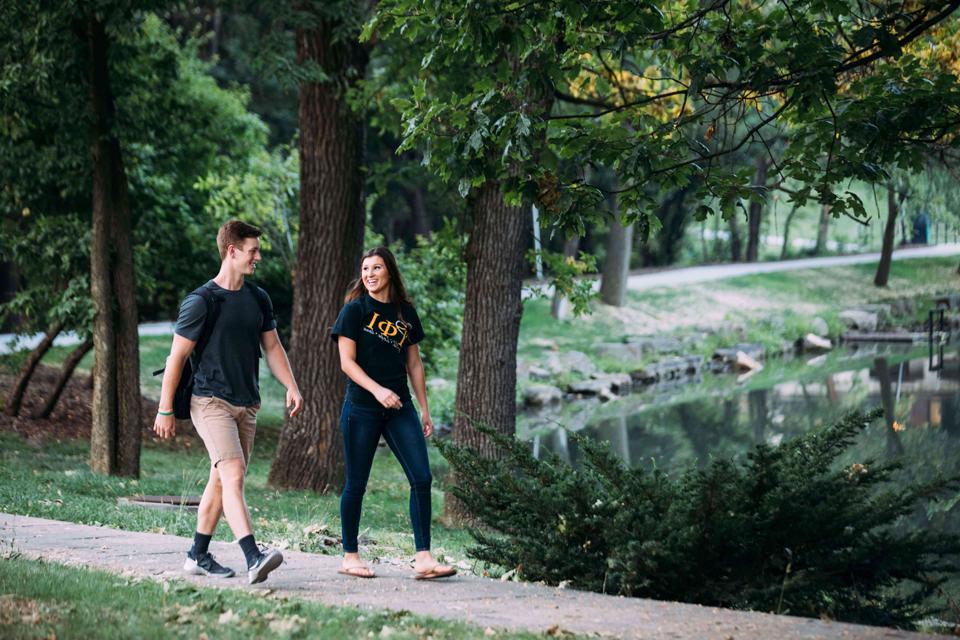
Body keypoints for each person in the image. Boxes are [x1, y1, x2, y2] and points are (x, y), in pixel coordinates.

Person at [154, 219, 303, 585]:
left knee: (222, 481)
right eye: (253, 250)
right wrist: (165, 408)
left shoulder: (257, 298)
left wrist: (292, 386)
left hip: (247, 403)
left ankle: (197, 554)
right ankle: (254, 556)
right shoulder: (201, 301)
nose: (258, 257)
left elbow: (272, 347)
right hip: (210, 401)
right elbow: (175, 358)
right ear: (232, 251)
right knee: (233, 474)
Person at [331, 247, 456, 580]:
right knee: (356, 482)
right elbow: (347, 362)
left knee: (422, 477)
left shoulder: (405, 312)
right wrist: (377, 390)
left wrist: (424, 408)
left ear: (389, 272)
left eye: (377, 267)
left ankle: (424, 558)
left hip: (400, 407)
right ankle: (350, 556)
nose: (370, 274)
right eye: (365, 269)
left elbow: (414, 363)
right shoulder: (354, 311)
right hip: (362, 408)